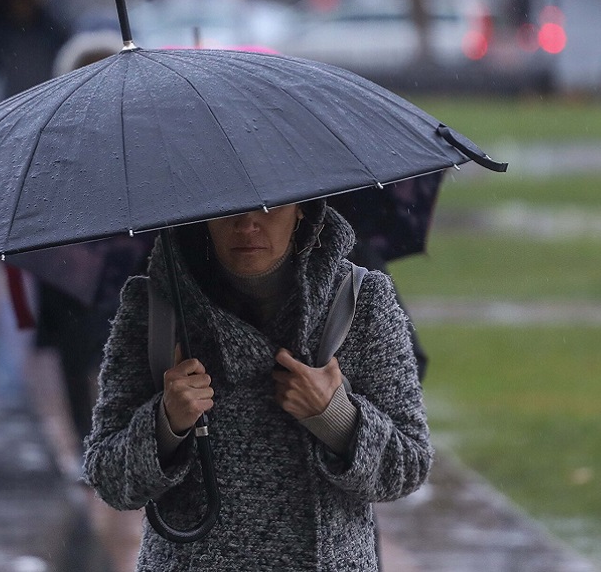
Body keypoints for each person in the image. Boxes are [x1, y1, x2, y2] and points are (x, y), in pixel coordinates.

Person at [83, 199, 433, 570]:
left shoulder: (360, 301)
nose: (247, 223)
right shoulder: (154, 307)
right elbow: (107, 475)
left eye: (271, 206)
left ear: (302, 208)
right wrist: (166, 424)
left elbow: (408, 465)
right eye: (227, 207)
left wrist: (336, 418)